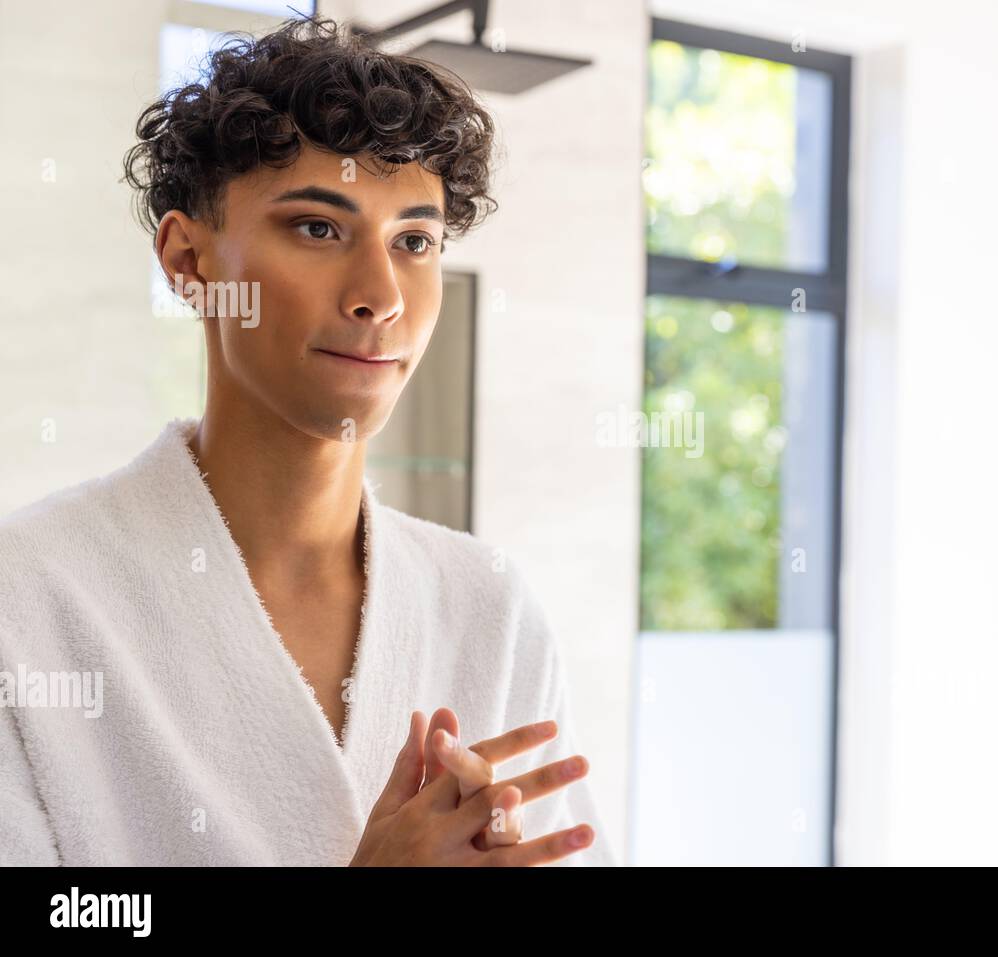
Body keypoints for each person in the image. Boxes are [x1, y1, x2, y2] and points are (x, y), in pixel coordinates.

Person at [0, 15, 616, 867]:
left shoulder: (489, 606)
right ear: (188, 259)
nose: (380, 296)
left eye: (414, 242)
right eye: (319, 229)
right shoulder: (27, 600)